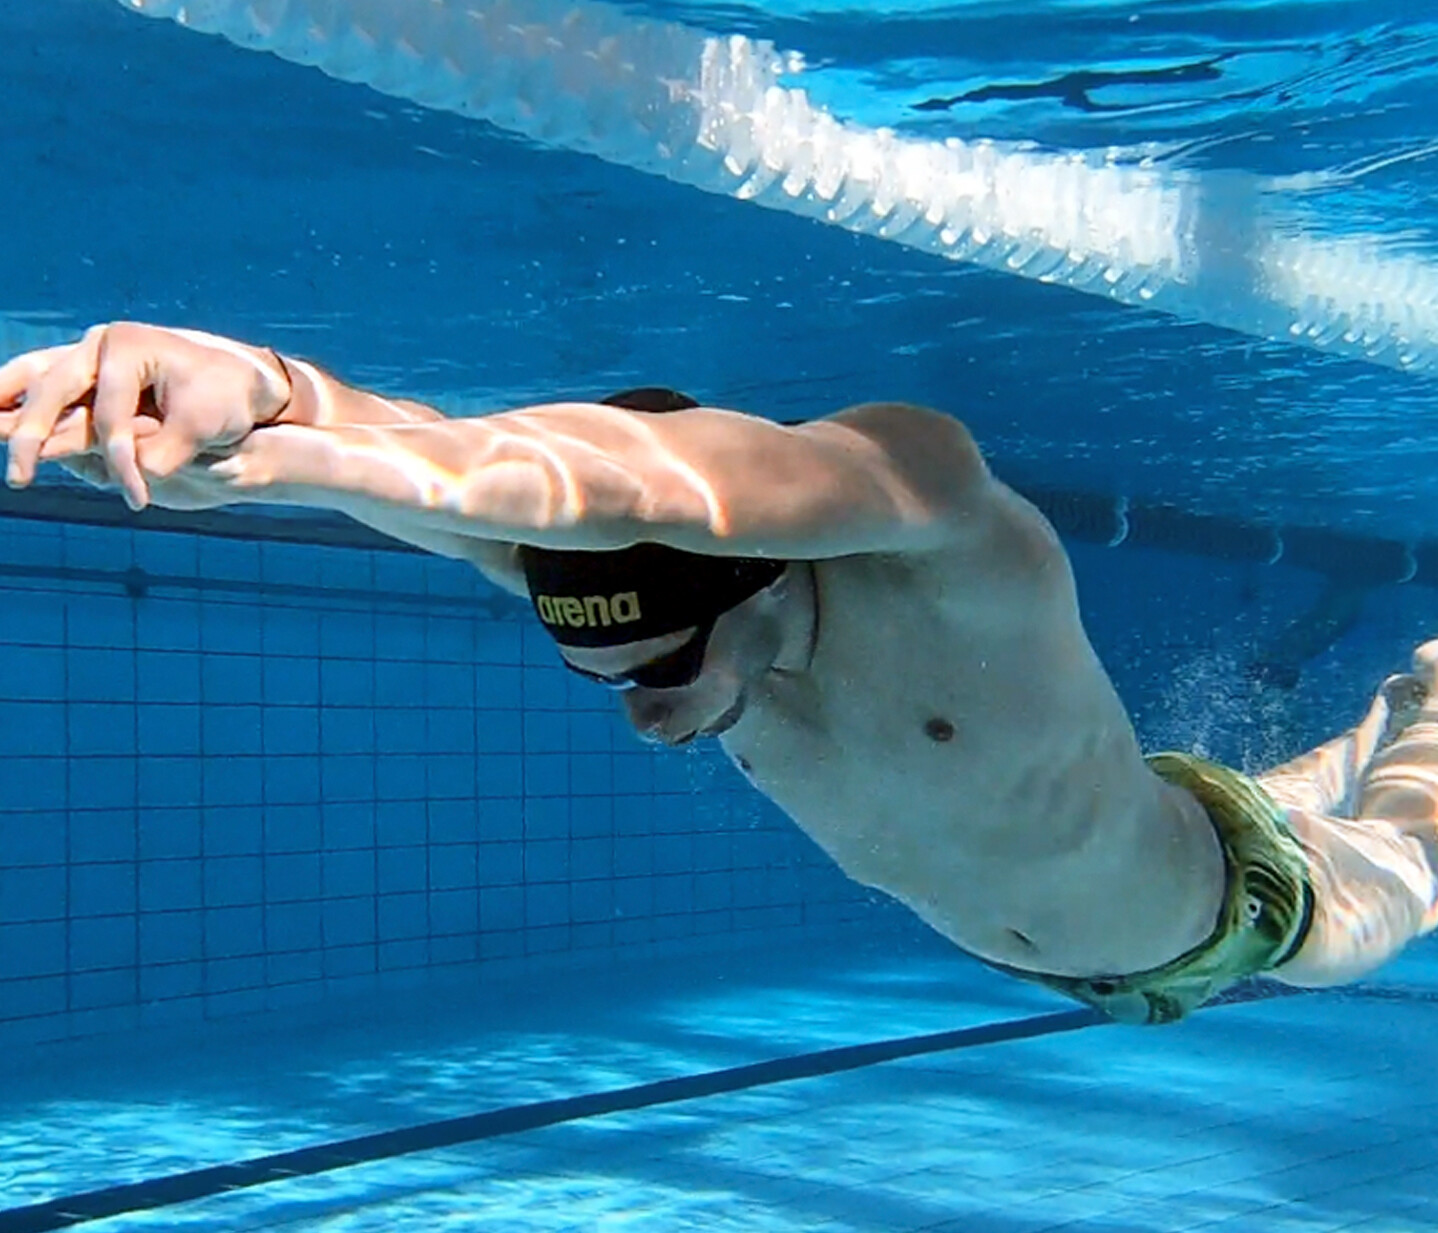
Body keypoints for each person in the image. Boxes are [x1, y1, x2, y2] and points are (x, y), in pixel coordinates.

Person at [2, 322, 1435, 1025]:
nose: (646, 717)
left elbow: (693, 479)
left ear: (756, 579)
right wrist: (268, 401)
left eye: (669, 662)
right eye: (606, 678)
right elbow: (437, 466)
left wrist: (310, 439)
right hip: (1115, 902)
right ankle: (1363, 729)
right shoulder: (642, 601)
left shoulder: (946, 546)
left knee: (1410, 850)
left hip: (1235, 915)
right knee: (1300, 776)